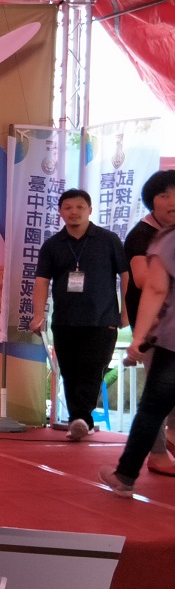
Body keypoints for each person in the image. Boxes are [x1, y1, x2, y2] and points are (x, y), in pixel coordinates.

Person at [29, 188, 128, 441]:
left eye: (80, 207)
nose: (74, 212)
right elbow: (41, 281)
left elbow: (126, 276)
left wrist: (126, 312)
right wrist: (38, 315)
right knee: (70, 372)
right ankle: (80, 421)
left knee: (92, 369)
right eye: (68, 208)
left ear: (90, 210)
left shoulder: (109, 240)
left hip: (102, 320)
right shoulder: (52, 245)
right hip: (65, 320)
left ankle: (80, 418)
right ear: (60, 212)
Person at [101, 226, 175, 497]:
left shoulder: (168, 239)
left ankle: (125, 477)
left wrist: (139, 337)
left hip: (173, 343)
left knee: (152, 409)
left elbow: (155, 288)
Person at [123, 169, 175, 475]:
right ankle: (155, 454)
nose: (172, 202)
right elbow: (146, 281)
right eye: (164, 196)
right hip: (155, 328)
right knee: (157, 396)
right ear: (151, 202)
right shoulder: (142, 236)